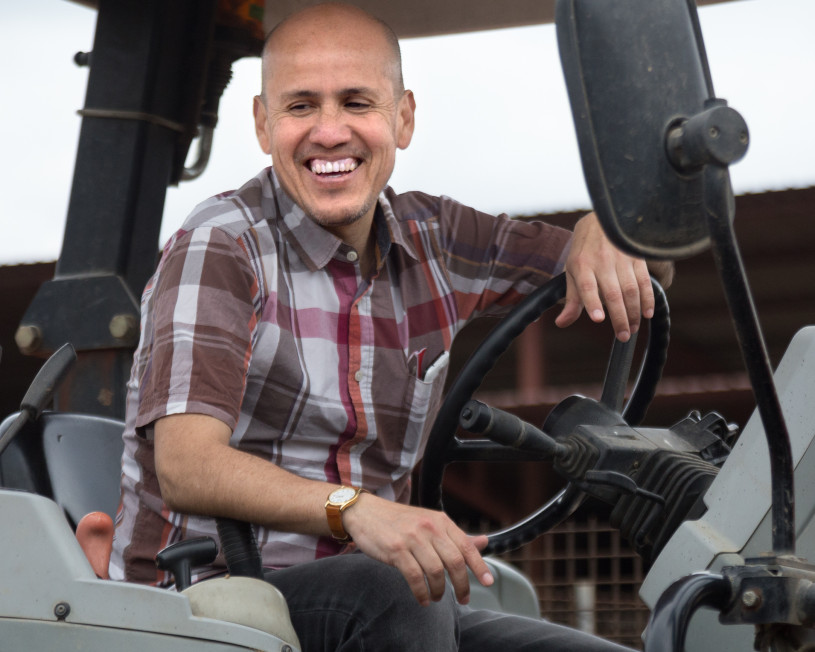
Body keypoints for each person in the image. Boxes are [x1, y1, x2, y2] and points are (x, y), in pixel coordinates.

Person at [110, 3, 672, 650]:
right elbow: (186, 465)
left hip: (380, 601)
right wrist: (355, 510)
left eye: (355, 102)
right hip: (208, 601)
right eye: (300, 107)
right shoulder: (222, 248)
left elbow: (632, 271)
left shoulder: (438, 241)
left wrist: (608, 231)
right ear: (263, 125)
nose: (328, 132)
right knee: (398, 593)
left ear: (402, 118)